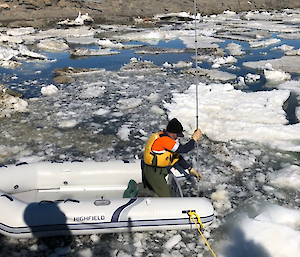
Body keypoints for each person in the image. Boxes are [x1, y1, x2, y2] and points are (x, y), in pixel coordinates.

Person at [142, 118, 202, 197]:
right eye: (177, 135)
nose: (177, 138)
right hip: (154, 172)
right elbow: (184, 149)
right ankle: (139, 191)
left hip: (156, 170)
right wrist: (194, 139)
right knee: (165, 197)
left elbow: (176, 157)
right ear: (174, 134)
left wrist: (189, 169)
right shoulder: (165, 140)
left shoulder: (162, 136)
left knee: (159, 192)